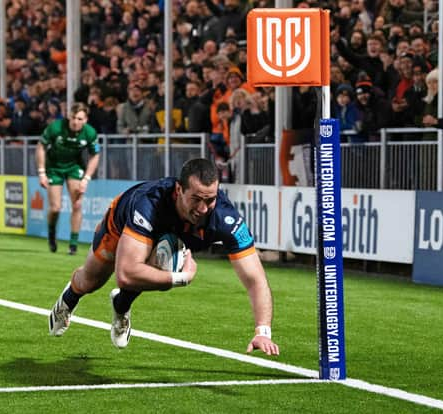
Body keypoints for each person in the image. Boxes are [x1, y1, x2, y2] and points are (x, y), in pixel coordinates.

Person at [48, 158, 280, 356]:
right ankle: (69, 299)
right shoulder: (149, 203)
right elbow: (126, 274)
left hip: (161, 241)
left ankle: (121, 305)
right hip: (122, 222)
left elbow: (255, 278)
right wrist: (181, 278)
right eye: (196, 199)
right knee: (90, 281)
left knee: (160, 263)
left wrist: (263, 331)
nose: (203, 209)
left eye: (210, 199)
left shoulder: (226, 219)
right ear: (179, 190)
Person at [35, 102, 100, 255]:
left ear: (85, 120)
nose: (76, 122)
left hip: (74, 167)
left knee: (77, 204)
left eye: (79, 119)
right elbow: (40, 147)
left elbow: (95, 155)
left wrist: (86, 179)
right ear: (68, 117)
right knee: (55, 208)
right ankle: (51, 234)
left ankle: (73, 244)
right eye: (73, 118)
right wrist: (41, 172)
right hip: (54, 167)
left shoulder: (90, 133)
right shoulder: (56, 127)